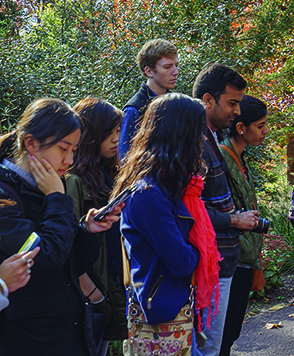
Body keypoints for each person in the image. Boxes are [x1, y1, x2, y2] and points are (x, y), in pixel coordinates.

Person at [0, 98, 120, 355]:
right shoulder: (6, 195)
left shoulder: (47, 185)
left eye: (74, 150)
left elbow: (72, 262)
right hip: (31, 340)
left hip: (65, 333)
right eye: (63, 149)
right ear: (31, 144)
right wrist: (57, 198)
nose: (69, 160)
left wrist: (87, 231)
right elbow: (45, 257)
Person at [116, 93, 220, 356]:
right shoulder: (148, 194)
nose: (204, 139)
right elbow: (181, 260)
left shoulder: (170, 186)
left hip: (174, 309)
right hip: (161, 316)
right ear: (181, 134)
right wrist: (200, 249)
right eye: (199, 132)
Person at [192, 62, 260, 355]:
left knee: (220, 343)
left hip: (223, 262)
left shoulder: (211, 139)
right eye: (231, 102)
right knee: (210, 348)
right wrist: (234, 219)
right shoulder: (195, 144)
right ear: (208, 100)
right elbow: (193, 212)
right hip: (211, 265)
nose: (236, 111)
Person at [65, 97, 126, 355]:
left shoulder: (108, 174)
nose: (116, 139)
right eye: (108, 132)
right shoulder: (74, 181)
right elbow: (68, 243)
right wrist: (94, 295)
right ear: (90, 135)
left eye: (117, 131)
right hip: (91, 293)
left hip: (110, 285)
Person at [218, 95, 269, 356]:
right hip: (231, 256)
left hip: (243, 256)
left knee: (232, 330)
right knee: (224, 333)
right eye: (260, 126)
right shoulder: (223, 159)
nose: (265, 131)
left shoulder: (239, 156)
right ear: (241, 128)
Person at [118, 38, 179, 158]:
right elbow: (123, 157)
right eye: (167, 67)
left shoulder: (176, 103)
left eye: (176, 65)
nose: (175, 71)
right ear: (149, 71)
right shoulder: (134, 109)